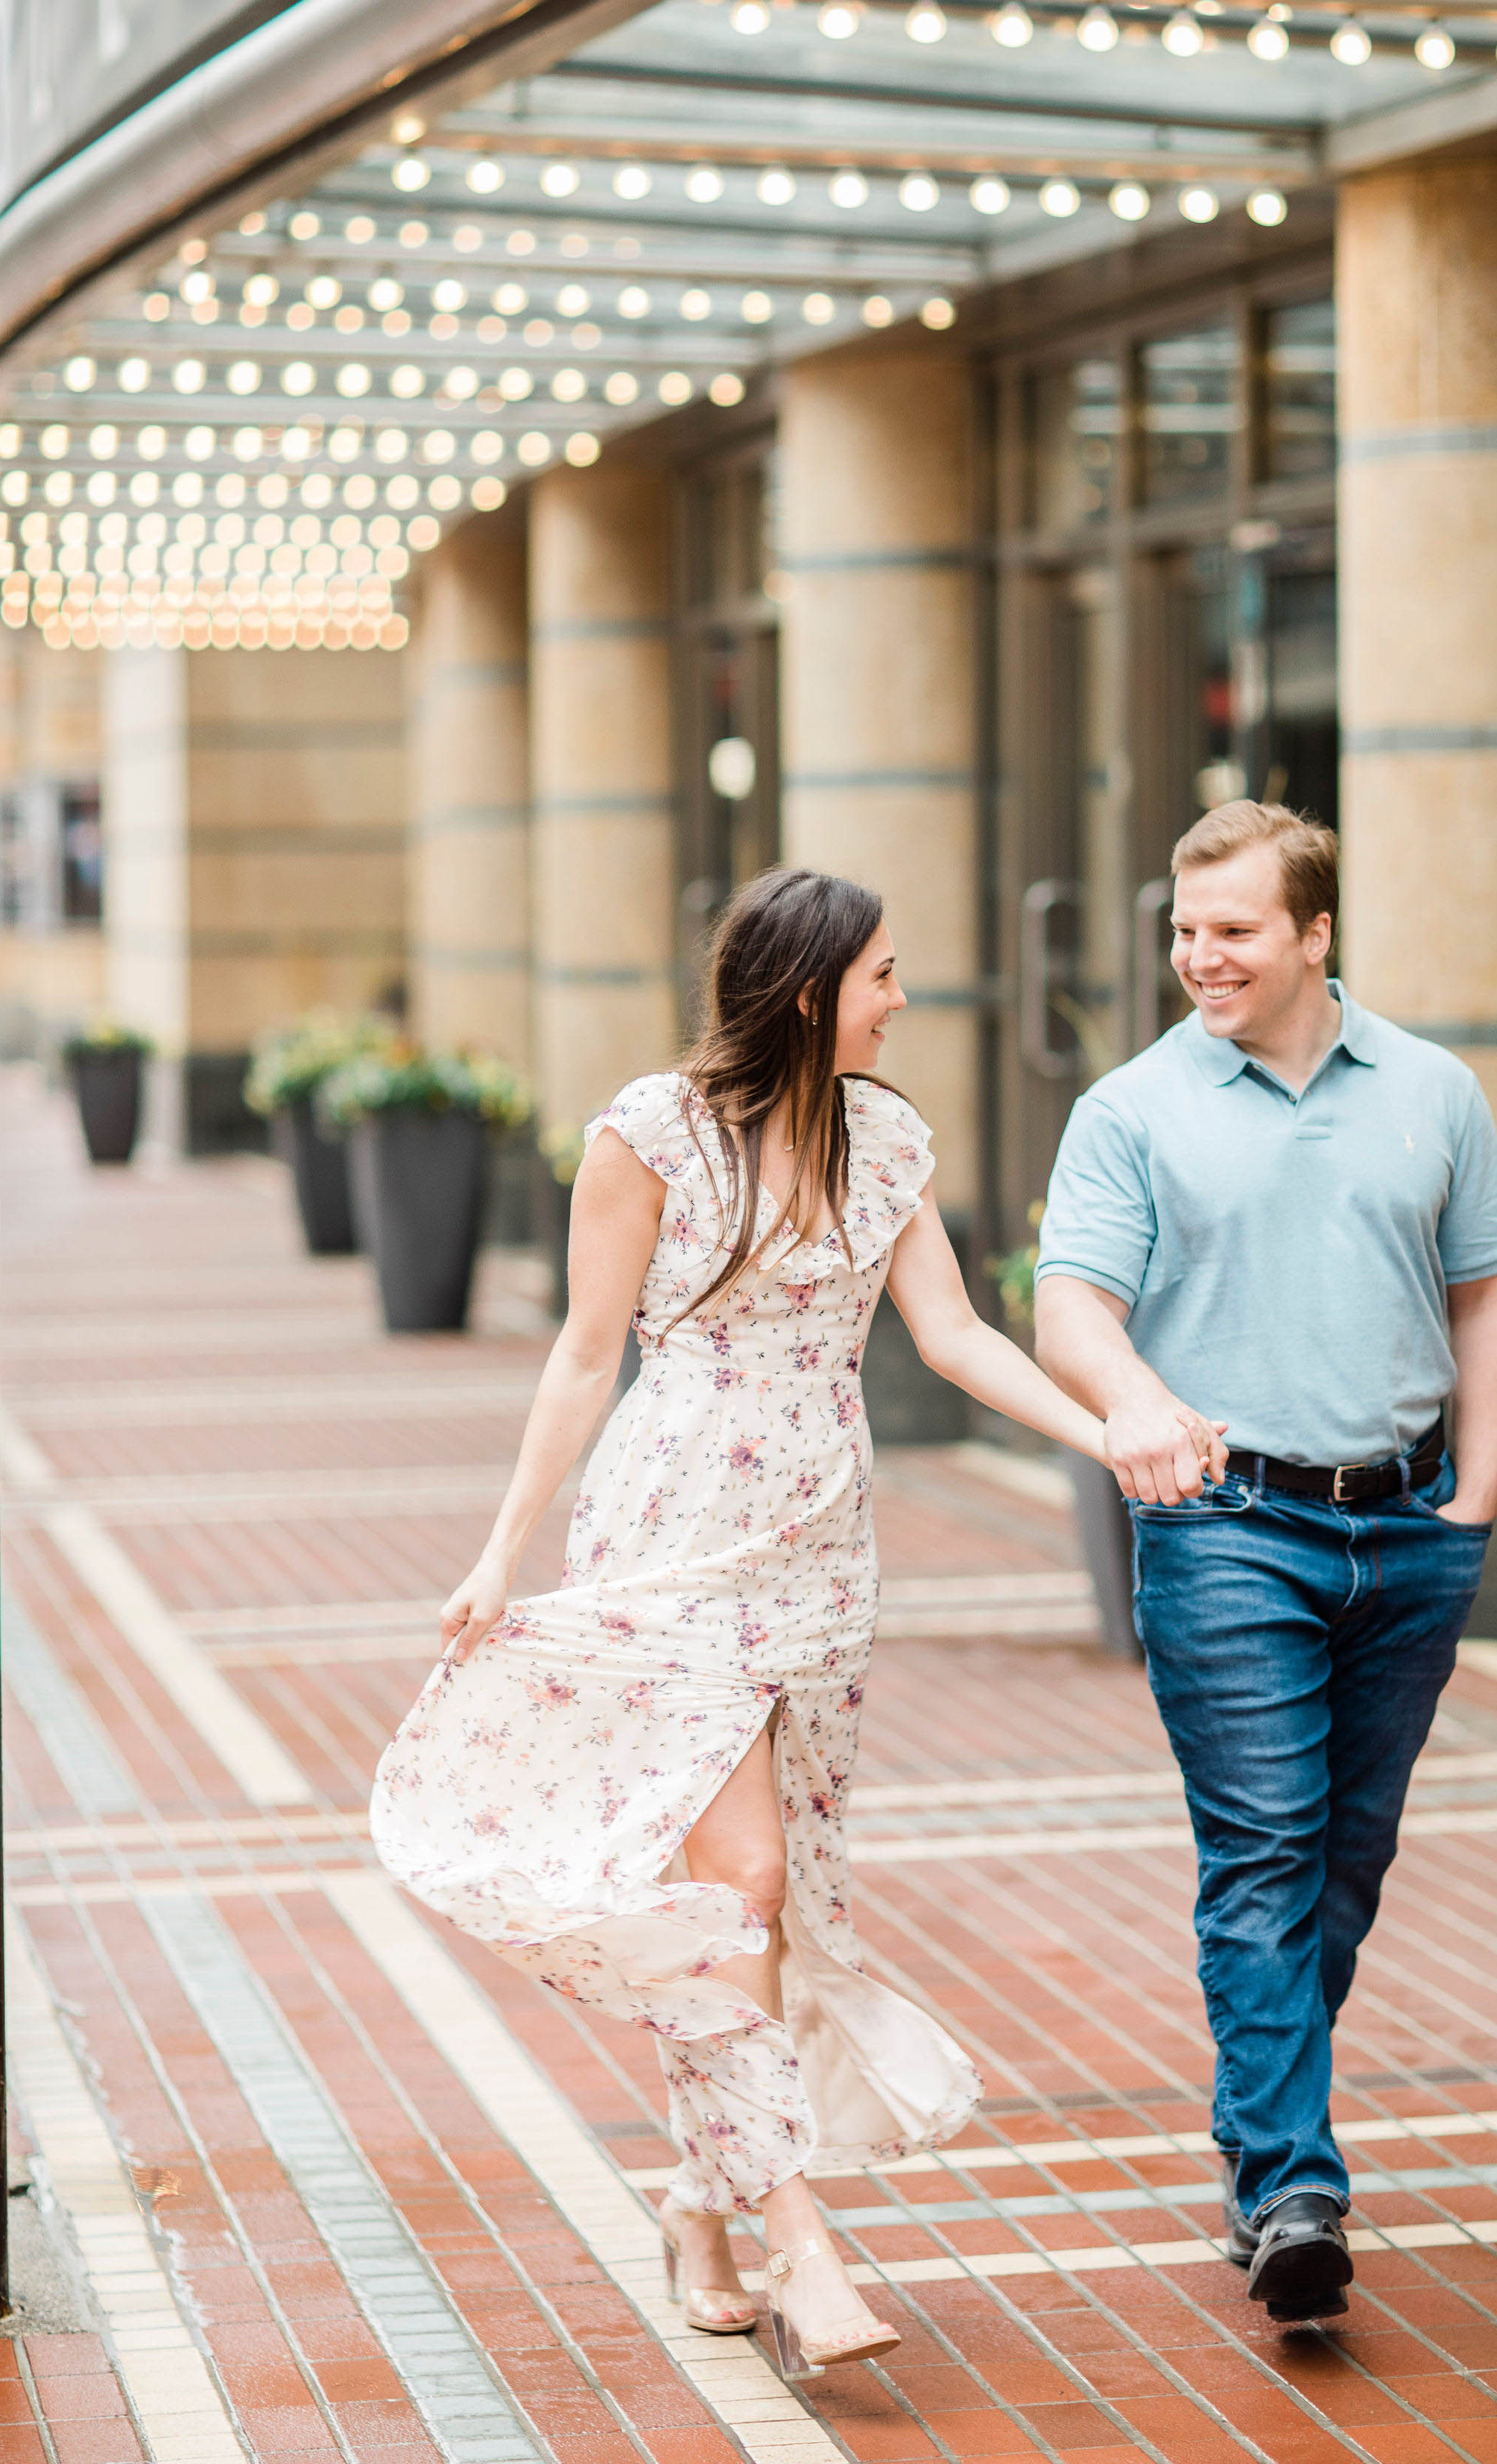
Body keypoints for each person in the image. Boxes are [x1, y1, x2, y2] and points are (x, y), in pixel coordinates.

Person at [373, 866, 1119, 2381]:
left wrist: (1112, 1441)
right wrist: (503, 1552)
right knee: (744, 1878)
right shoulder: (646, 1136)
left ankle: (695, 2204)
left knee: (781, 1903)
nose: (906, 1000)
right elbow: (586, 1357)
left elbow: (957, 1334)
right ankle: (805, 2248)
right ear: (806, 991)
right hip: (669, 1544)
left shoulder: (890, 1137)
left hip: (825, 1559)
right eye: (886, 975)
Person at [1033, 800, 1497, 2325]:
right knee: (1263, 1852)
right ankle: (1289, 2186)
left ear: (1316, 932)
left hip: (1408, 1522)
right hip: (1228, 1527)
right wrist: (1136, 1406)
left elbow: (1494, 1297)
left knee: (1344, 1863)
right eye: (1185, 932)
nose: (1202, 958)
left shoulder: (1432, 1093)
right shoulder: (1131, 1109)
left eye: (1235, 930)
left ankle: (1261, 2120)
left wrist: (1476, 1510)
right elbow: (1071, 1306)